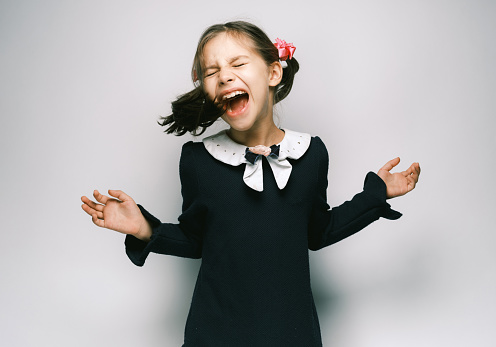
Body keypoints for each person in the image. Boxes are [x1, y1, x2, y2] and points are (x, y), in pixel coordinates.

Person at [81, 21, 420, 346]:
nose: (224, 75)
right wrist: (144, 227)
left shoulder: (311, 154)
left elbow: (318, 232)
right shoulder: (198, 160)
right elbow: (197, 241)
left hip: (292, 332)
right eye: (212, 72)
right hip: (215, 332)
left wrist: (375, 194)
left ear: (273, 72)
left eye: (238, 63)